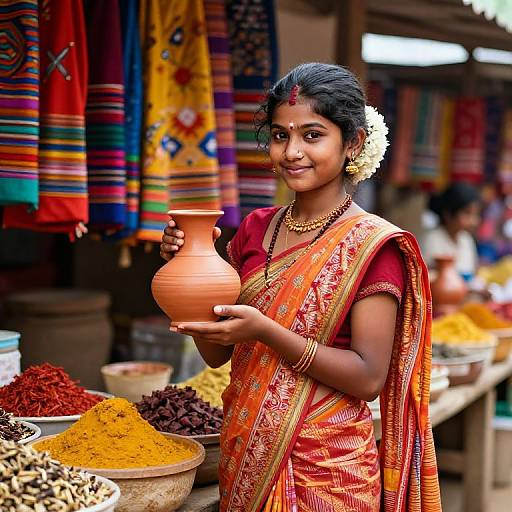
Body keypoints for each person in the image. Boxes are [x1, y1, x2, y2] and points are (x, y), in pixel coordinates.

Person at [160, 63, 441, 512]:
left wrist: (264, 331)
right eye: (279, 135)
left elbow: (369, 377)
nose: (291, 151)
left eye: (312, 135)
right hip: (245, 453)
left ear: (353, 143)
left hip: (328, 471)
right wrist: (191, 265)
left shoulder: (373, 247)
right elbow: (216, 353)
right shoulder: (253, 229)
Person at [422, 182, 481, 281]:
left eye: (475, 214)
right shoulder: (432, 240)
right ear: (448, 214)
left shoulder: (466, 239)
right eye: (467, 213)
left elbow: (473, 274)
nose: (473, 221)